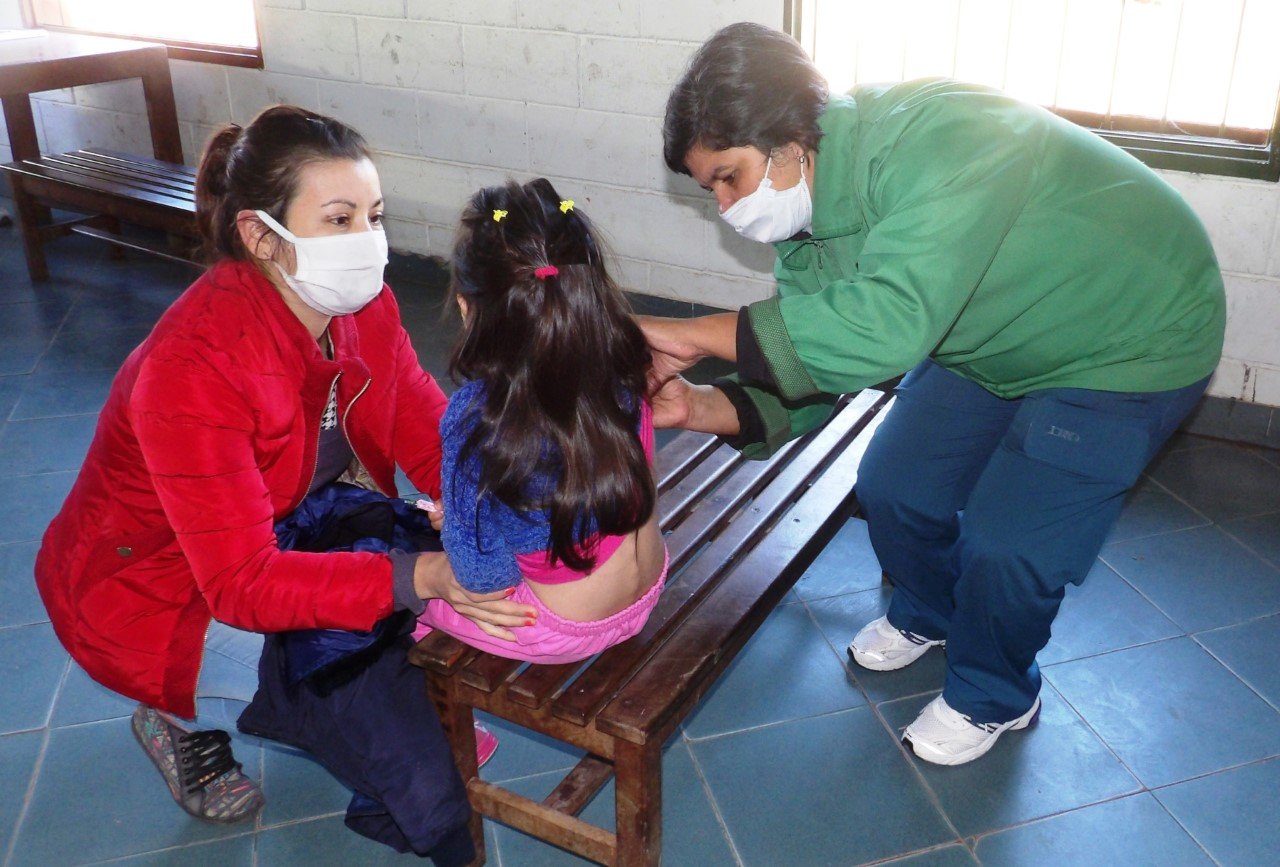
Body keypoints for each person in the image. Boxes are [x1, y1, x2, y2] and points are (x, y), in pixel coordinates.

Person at [642, 23, 1225, 766]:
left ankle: (995, 693)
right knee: (894, 486)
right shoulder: (807, 228)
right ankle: (933, 614)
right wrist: (698, 406)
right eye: (709, 189)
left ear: (788, 137)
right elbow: (823, 359)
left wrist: (691, 332)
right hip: (991, 337)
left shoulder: (940, 139)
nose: (725, 206)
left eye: (728, 175)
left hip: (1127, 335)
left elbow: (883, 325)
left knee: (1008, 543)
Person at [33, 106, 530, 857]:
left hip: (284, 506)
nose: (367, 241)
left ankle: (299, 692)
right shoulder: (193, 366)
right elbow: (237, 581)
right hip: (158, 565)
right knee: (377, 630)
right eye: (338, 219)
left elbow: (428, 432)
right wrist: (425, 572)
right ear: (261, 235)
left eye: (373, 215)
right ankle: (198, 722)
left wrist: (502, 503)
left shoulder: (363, 305)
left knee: (401, 559)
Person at [412, 178, 668, 663]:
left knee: (398, 594)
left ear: (469, 308)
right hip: (646, 588)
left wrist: (460, 528)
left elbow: (484, 580)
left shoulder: (475, 416)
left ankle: (447, 730)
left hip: (558, 631)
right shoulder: (623, 366)